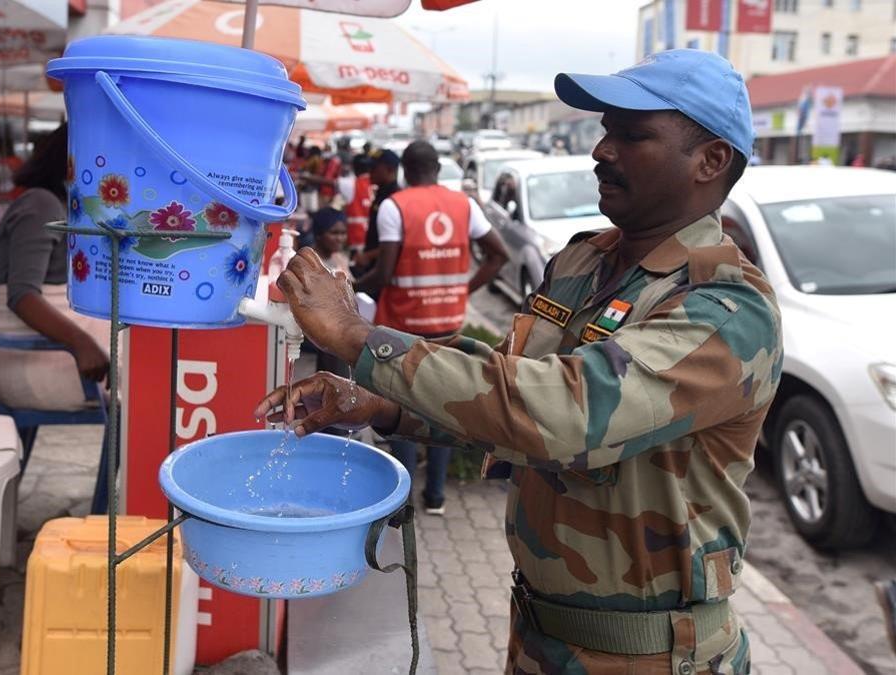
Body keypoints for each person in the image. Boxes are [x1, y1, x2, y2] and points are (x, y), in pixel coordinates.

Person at [257, 49, 782, 673]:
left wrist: (355, 338)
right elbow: (507, 395)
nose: (601, 150)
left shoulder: (726, 309)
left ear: (711, 161)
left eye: (632, 134)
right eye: (606, 129)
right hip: (539, 635)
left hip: (654, 656)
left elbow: (564, 416)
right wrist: (377, 403)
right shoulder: (585, 262)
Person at [353, 140, 509, 515]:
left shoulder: (395, 206)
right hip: (449, 325)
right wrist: (462, 291)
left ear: (405, 170)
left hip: (402, 326)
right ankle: (435, 497)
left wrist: (351, 288)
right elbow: (498, 255)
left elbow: (385, 272)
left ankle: (402, 500)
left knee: (402, 402)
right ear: (438, 168)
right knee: (444, 405)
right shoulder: (464, 205)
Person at [0, 122, 111, 410]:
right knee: (151, 382)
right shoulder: (41, 205)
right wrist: (82, 343)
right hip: (32, 366)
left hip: (48, 357)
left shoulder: (62, 207)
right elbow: (22, 296)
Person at [309, 207, 354, 379]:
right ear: (319, 234)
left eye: (343, 233)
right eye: (334, 233)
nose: (340, 238)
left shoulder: (339, 258)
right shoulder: (311, 261)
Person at [353, 148, 401, 275]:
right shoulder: (381, 193)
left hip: (385, 268)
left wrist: (368, 256)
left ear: (390, 169)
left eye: (374, 168)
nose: (370, 172)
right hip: (373, 264)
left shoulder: (395, 198)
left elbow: (398, 242)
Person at [344, 153, 373, 258]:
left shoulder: (351, 184)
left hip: (357, 241)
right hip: (374, 241)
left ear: (354, 168)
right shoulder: (380, 183)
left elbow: (330, 183)